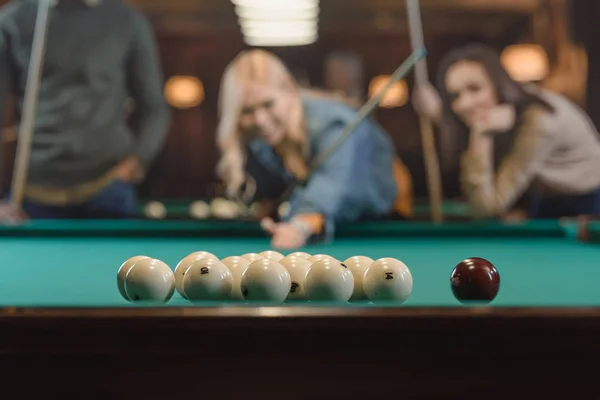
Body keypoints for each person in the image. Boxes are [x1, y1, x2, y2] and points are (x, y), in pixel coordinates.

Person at [215, 49, 413, 249]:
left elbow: (332, 183)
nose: (260, 120)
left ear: (288, 90)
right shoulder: (262, 139)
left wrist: (300, 225)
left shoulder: (334, 123)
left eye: (268, 104)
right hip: (332, 219)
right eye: (247, 111)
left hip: (384, 219)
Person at [0, 0, 170, 221]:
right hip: (31, 191)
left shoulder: (126, 20)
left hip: (108, 187)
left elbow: (155, 108)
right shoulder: (14, 19)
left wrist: (139, 160)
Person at [413, 43, 600, 220]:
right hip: (544, 194)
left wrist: (481, 133)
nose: (465, 104)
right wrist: (440, 115)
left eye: (475, 88)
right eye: (455, 96)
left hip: (589, 198)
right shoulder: (500, 112)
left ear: (500, 84)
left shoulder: (539, 121)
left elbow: (485, 207)